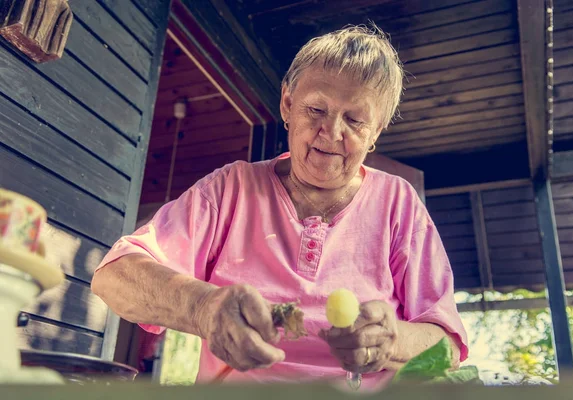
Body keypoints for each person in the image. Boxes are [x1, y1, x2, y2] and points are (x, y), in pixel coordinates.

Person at [91, 24, 468, 390]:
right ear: (288, 103)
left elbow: (448, 344)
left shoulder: (398, 203)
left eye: (354, 120)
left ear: (376, 131)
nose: (331, 132)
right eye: (316, 110)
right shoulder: (231, 188)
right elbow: (114, 276)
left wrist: (392, 340)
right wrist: (202, 307)